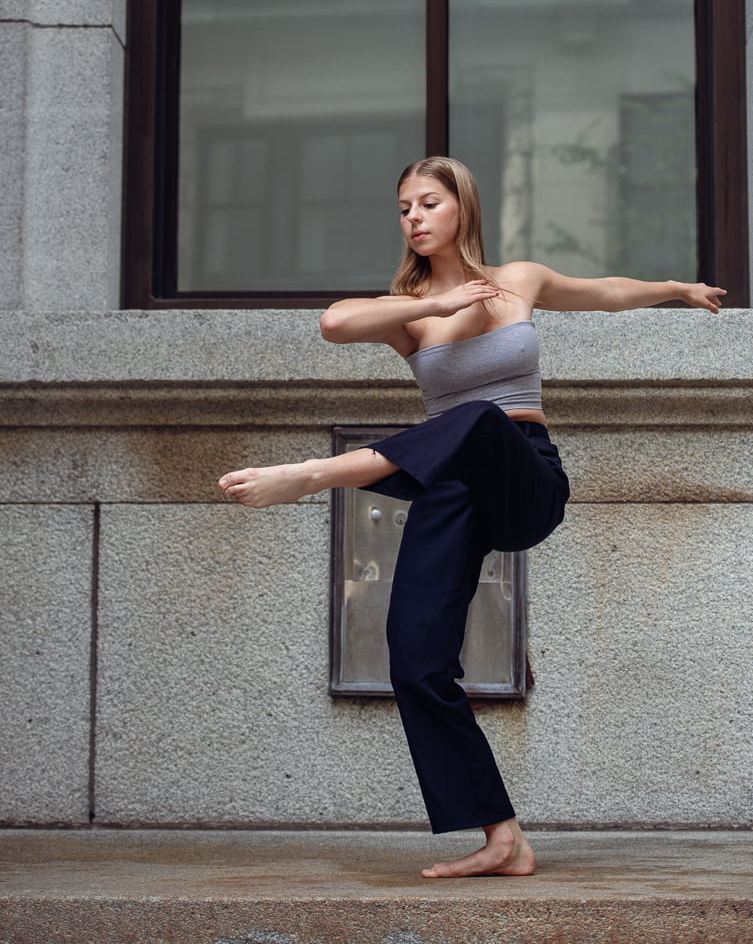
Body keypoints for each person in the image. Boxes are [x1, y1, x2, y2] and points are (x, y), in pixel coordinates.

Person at [219, 156, 725, 878]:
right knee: (414, 659)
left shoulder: (518, 280)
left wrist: (676, 288)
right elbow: (335, 323)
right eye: (404, 208)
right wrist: (432, 307)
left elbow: (607, 291)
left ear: (463, 206)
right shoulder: (409, 313)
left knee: (484, 419)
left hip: (524, 475)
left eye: (429, 202)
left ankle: (317, 476)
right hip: (448, 486)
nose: (414, 217)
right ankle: (503, 836)